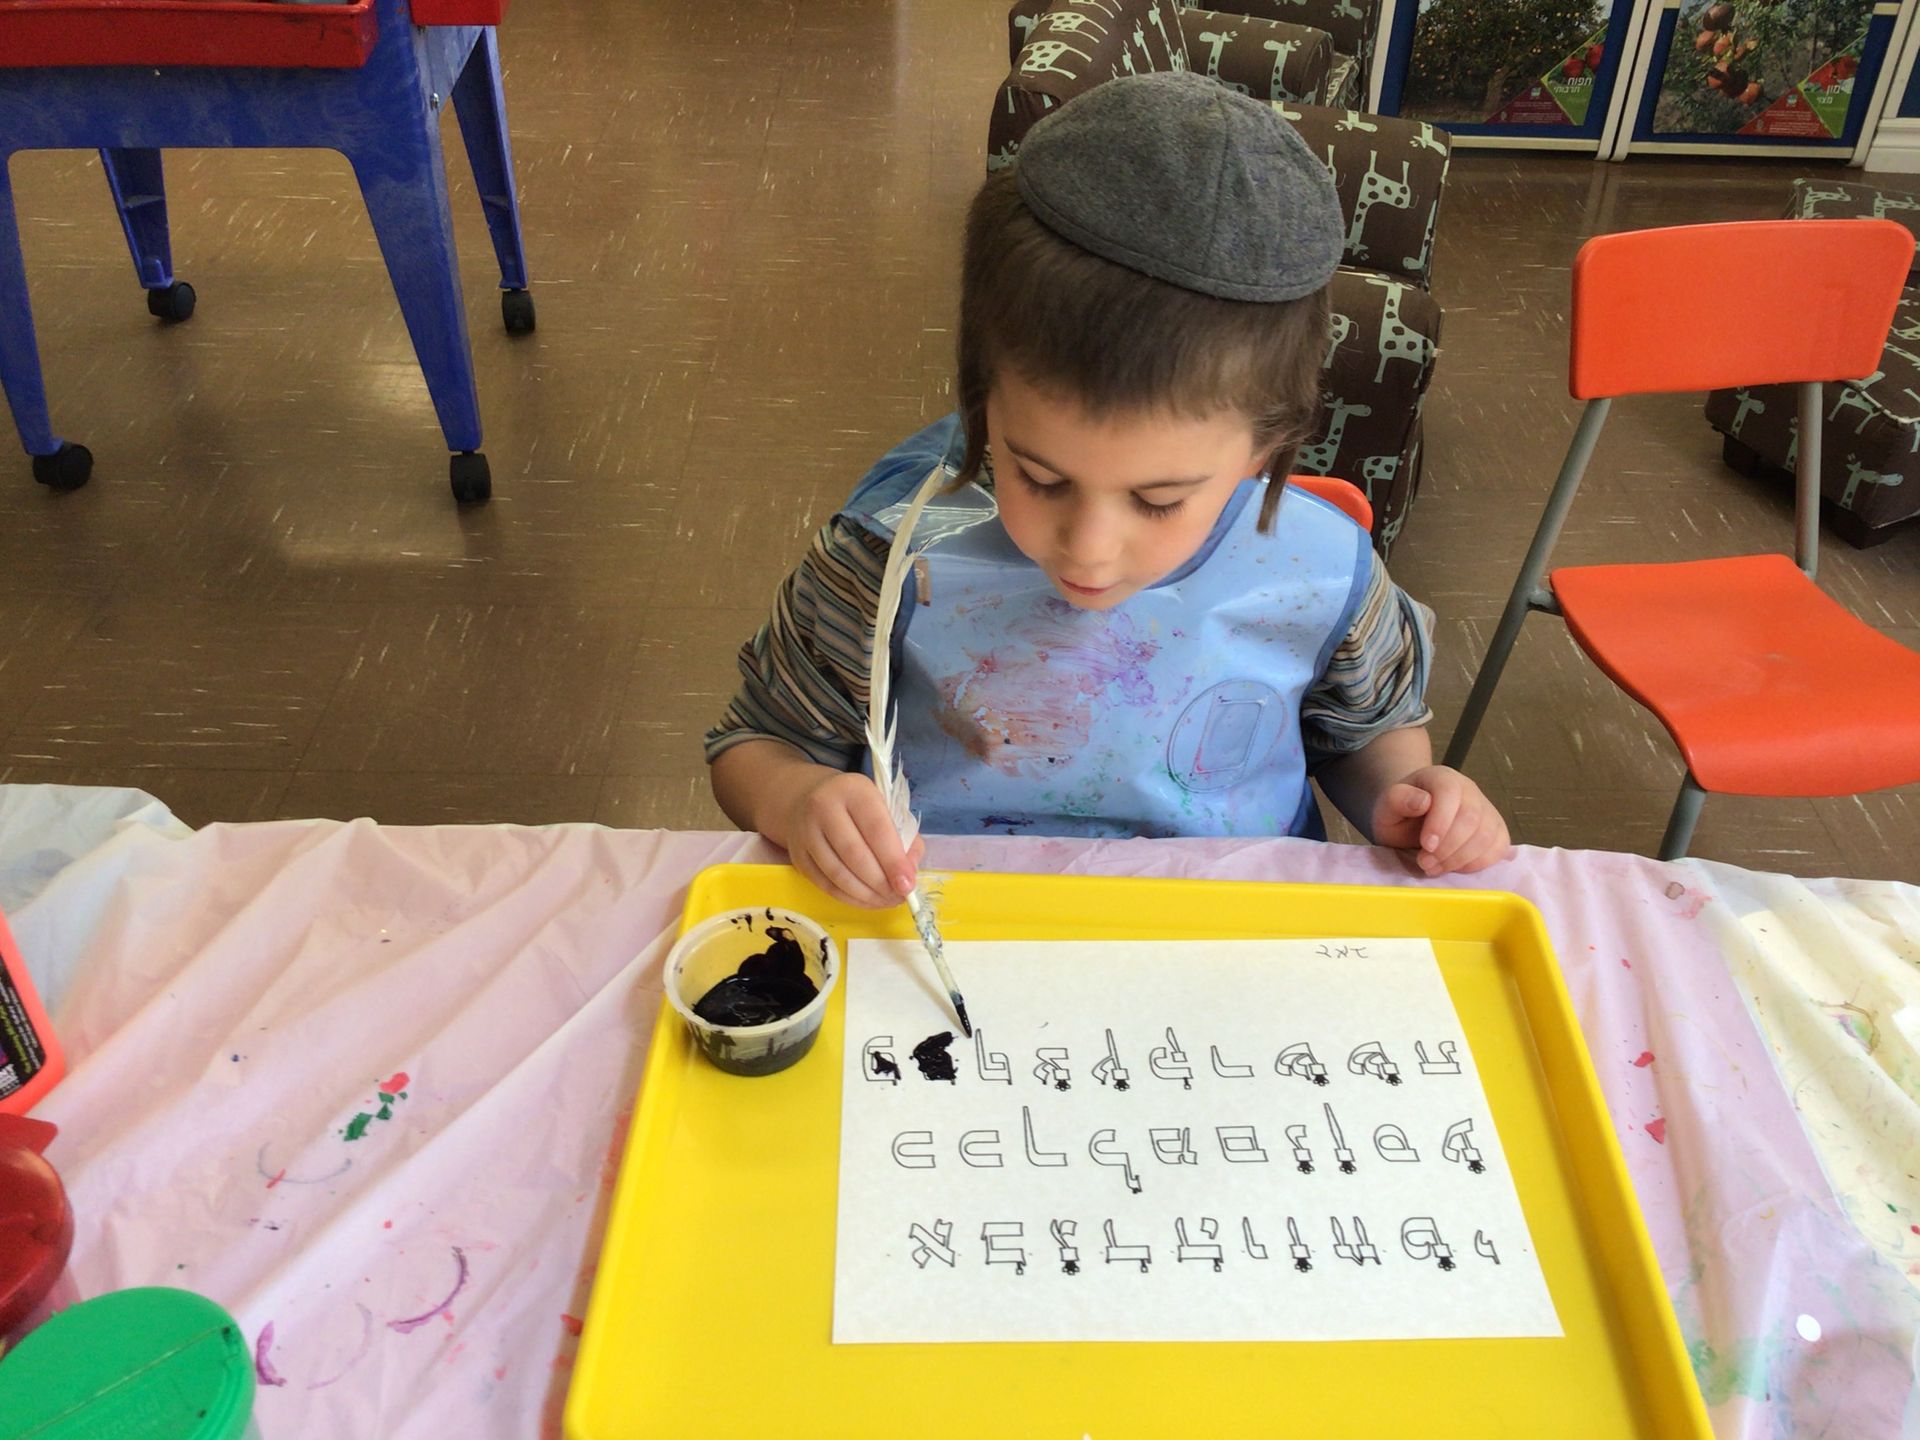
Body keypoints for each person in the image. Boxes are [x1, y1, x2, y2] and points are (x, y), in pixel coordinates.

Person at [705, 72, 1509, 910]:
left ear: (1269, 443)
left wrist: (1408, 799)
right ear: (982, 396)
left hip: (1225, 945)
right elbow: (752, 741)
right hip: (952, 939)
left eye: (1158, 500)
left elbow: (1369, 735)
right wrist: (795, 800)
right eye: (1039, 477)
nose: (1087, 547)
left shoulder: (1323, 572)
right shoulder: (887, 563)